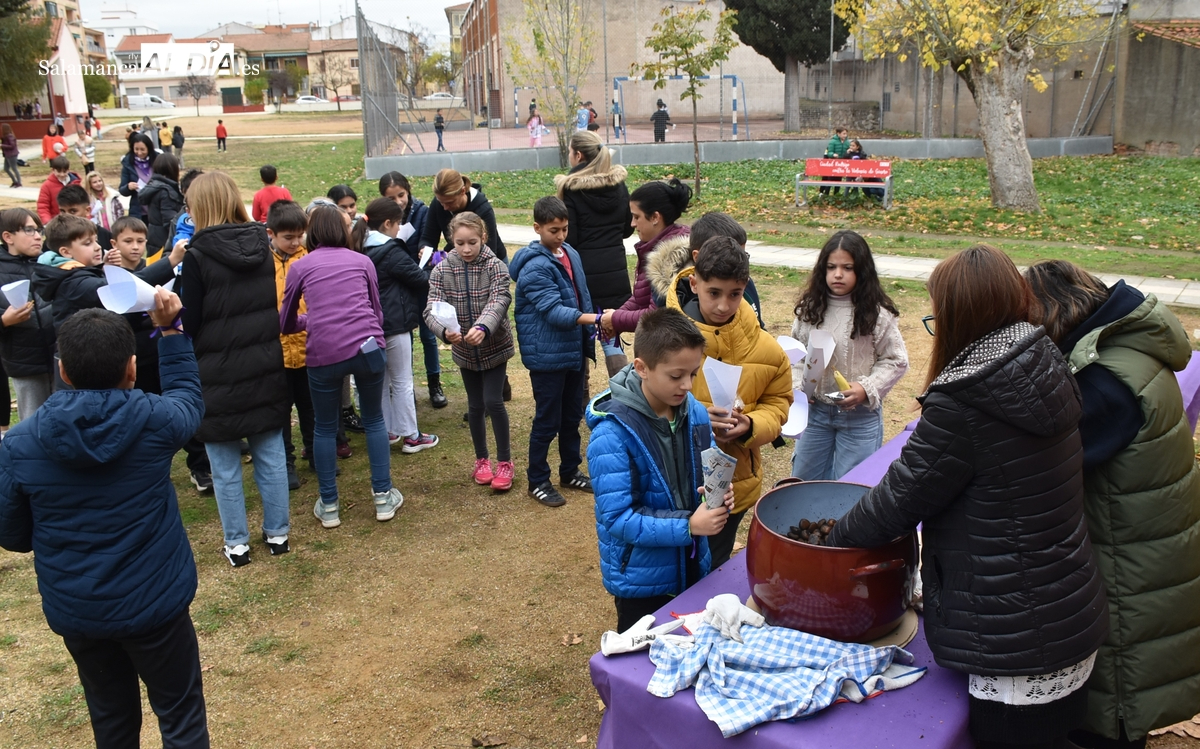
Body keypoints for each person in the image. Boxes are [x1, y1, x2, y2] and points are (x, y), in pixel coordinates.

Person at [826, 245, 1109, 749]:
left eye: (938, 315)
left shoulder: (967, 400)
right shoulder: (1041, 357)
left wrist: (834, 536)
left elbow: (900, 499)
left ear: (961, 317)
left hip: (1016, 637)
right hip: (1067, 610)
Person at [0, 297, 211, 749]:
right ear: (132, 369)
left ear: (63, 371)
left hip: (79, 610)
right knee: (180, 715)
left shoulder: (19, 443)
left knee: (111, 718)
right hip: (156, 604)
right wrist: (171, 331)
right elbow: (189, 401)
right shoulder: (155, 420)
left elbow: (12, 534)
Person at [1024, 261, 1200, 749]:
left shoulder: (1105, 380)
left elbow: (1050, 466)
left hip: (1126, 568)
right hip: (1140, 547)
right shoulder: (1127, 350)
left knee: (1115, 701)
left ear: (1053, 312)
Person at [587, 307, 734, 631]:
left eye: (694, 373)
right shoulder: (611, 435)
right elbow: (618, 519)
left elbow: (706, 466)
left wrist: (718, 494)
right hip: (642, 582)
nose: (687, 385)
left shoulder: (694, 411)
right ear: (641, 367)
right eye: (676, 375)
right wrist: (689, 526)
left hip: (693, 567)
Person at [179, 172, 291, 567]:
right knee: (270, 454)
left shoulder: (196, 257)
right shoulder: (262, 244)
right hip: (263, 364)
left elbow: (187, 321)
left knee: (225, 465)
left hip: (216, 371)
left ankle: (238, 543)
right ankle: (278, 534)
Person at [663, 236, 792, 569]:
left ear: (745, 287)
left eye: (734, 294)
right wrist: (695, 418)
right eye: (714, 293)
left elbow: (778, 403)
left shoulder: (767, 350)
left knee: (714, 566)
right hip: (672, 484)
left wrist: (749, 425)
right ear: (694, 283)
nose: (723, 306)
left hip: (734, 487)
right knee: (674, 569)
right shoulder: (662, 341)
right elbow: (644, 402)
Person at [281, 203, 404, 528]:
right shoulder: (362, 261)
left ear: (312, 232)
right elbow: (376, 312)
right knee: (374, 419)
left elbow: (285, 320)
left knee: (324, 425)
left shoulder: (300, 267)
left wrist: (310, 320)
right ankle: (382, 497)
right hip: (367, 347)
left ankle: (330, 504)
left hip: (323, 351)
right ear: (343, 230)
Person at [790, 230, 908, 480]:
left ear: (862, 271)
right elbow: (796, 357)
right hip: (815, 414)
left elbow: (896, 360)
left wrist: (866, 388)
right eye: (831, 267)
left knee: (852, 486)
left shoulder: (876, 314)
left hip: (860, 418)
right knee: (803, 480)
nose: (838, 274)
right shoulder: (809, 310)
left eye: (848, 267)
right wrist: (797, 387)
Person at [508, 196, 597, 508]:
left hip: (572, 351)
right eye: (553, 230)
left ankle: (570, 470)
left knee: (572, 416)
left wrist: (591, 325)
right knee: (548, 419)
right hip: (547, 357)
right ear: (537, 228)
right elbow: (555, 312)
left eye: (564, 228)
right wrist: (597, 319)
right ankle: (537, 479)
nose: (560, 236)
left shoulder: (570, 253)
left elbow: (581, 296)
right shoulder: (534, 268)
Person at [424, 211, 515, 490]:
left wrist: (483, 327)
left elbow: (499, 300)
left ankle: (505, 462)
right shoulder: (441, 270)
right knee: (474, 405)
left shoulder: (496, 267)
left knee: (493, 401)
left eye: (472, 242)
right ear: (451, 239)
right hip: (464, 351)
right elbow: (431, 309)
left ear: (483, 238)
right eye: (460, 242)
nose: (465, 249)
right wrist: (444, 330)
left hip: (494, 346)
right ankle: (481, 460)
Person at [419, 169, 509, 407]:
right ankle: (487, 388)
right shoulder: (439, 204)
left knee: (487, 321)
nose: (445, 207)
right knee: (465, 323)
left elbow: (487, 251)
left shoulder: (483, 209)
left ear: (462, 191)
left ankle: (496, 382)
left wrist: (443, 256)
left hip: (488, 266)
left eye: (449, 202)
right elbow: (427, 237)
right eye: (441, 203)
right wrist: (429, 252)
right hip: (454, 265)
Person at [362, 197, 439, 454]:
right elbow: (419, 278)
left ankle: (386, 431)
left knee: (381, 381)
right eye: (398, 224)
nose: (400, 228)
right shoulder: (391, 251)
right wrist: (433, 265)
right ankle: (411, 435)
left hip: (371, 326)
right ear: (387, 223)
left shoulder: (359, 248)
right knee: (402, 380)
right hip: (394, 323)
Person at [554, 130, 634, 376]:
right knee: (610, 338)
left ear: (578, 155)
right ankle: (624, 396)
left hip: (582, 275)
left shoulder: (571, 190)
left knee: (580, 337)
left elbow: (570, 237)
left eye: (569, 152)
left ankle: (580, 400)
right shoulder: (619, 186)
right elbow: (627, 229)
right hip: (615, 272)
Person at [379, 171, 440, 407]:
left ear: (408, 189)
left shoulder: (423, 212)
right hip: (398, 285)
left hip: (421, 279)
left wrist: (427, 253)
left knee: (428, 335)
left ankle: (434, 384)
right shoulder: (383, 219)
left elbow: (434, 245)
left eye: (401, 195)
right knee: (405, 339)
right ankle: (407, 388)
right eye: (391, 198)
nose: (398, 202)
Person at [601, 178, 691, 339]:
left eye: (636, 217)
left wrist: (615, 318)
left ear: (655, 217)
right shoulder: (655, 246)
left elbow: (657, 314)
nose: (632, 224)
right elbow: (640, 298)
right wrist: (616, 317)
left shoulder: (671, 258)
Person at [647, 211, 766, 328]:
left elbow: (758, 327)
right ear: (697, 257)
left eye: (742, 256)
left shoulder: (744, 280)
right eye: (714, 293)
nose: (738, 264)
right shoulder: (675, 302)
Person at [267, 200, 314, 491]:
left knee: (311, 407)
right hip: (277, 352)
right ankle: (286, 462)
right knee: (280, 411)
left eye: (300, 236)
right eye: (288, 237)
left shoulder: (308, 258)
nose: (295, 242)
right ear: (271, 233)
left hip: (309, 348)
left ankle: (316, 453)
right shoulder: (261, 264)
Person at [0, 208, 56, 420]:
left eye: (39, 230)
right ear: (8, 237)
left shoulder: (48, 262)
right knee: (33, 421)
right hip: (24, 363)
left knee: (63, 419)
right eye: (29, 230)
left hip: (59, 357)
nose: (37, 236)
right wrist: (4, 321)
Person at [138, 153, 184, 257]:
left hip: (154, 239)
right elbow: (170, 221)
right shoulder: (166, 191)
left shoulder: (154, 186)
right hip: (165, 242)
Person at [57, 184, 112, 250]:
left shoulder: (105, 236)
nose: (66, 216)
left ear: (87, 211)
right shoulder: (55, 238)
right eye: (62, 211)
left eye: (72, 211)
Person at [119, 133, 158, 221]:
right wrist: (128, 187)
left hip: (157, 209)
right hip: (139, 212)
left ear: (149, 148)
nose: (139, 153)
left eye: (142, 149)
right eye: (136, 149)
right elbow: (122, 190)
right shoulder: (128, 164)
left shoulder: (158, 160)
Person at [36, 156, 81, 224]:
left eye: (64, 171)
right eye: (59, 171)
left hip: (75, 221)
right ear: (53, 170)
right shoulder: (47, 186)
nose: (62, 174)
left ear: (68, 170)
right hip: (57, 223)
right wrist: (48, 222)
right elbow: (43, 206)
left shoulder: (76, 183)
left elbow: (82, 203)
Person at [820, 126, 850, 195]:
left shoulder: (847, 142)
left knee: (838, 179)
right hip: (833, 164)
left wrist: (849, 152)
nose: (845, 135)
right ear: (838, 134)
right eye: (844, 134)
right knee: (830, 179)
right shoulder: (833, 142)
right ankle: (825, 194)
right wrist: (833, 155)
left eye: (846, 134)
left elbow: (847, 154)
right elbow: (829, 152)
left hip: (841, 164)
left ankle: (836, 194)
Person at [2, 123, 22, 188]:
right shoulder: (5, 136)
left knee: (14, 168)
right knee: (6, 168)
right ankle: (14, 181)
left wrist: (2, 145)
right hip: (7, 154)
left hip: (12, 154)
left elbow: (12, 145)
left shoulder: (10, 136)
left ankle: (19, 182)